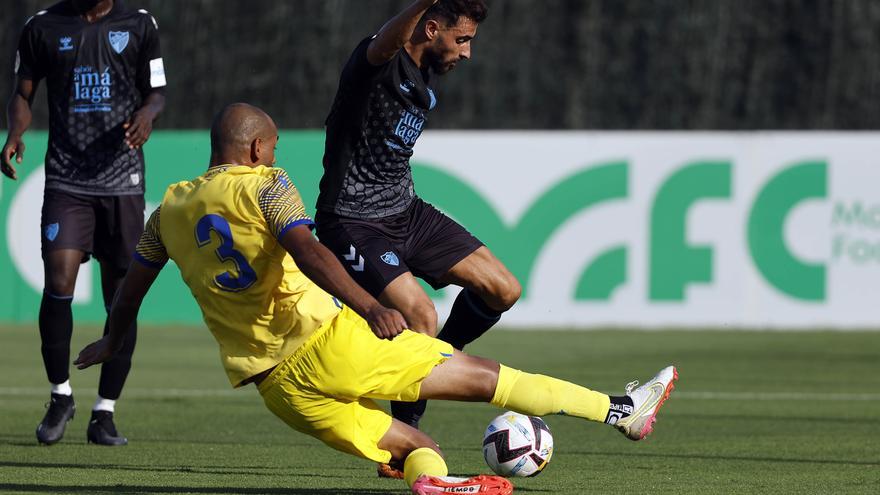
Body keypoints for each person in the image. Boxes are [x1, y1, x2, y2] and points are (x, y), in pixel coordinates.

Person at [74, 103, 678, 495]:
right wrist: (370, 306)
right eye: (276, 145)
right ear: (256, 148)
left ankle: (434, 485)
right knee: (488, 378)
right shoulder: (266, 185)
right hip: (330, 346)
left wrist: (112, 339)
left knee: (418, 451)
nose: (278, 155)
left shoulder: (168, 210)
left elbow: (131, 287)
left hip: (275, 389)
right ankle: (623, 412)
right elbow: (308, 251)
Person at [316, 1, 517, 473]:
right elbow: (385, 41)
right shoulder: (377, 65)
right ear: (431, 27)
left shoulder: (425, 75)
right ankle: (405, 443)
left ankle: (437, 360)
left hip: (407, 211)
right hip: (351, 220)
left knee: (503, 289)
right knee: (420, 316)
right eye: (462, 39)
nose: (467, 53)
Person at [1, 0, 166, 446]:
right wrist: (15, 134)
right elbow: (23, 93)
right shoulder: (43, 26)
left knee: (122, 296)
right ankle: (60, 396)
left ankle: (104, 413)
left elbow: (156, 91)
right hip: (66, 179)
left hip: (123, 182)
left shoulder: (139, 23)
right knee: (58, 280)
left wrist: (148, 115)